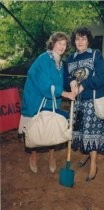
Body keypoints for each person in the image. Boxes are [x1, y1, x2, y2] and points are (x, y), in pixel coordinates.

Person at [18, 32, 75, 174]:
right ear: (53, 43)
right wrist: (65, 93)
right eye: (59, 43)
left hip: (52, 100)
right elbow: (45, 84)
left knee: (51, 129)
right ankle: (33, 157)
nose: (62, 46)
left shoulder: (61, 63)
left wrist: (73, 85)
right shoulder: (43, 59)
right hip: (37, 100)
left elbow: (64, 80)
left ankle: (51, 157)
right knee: (37, 129)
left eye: (64, 44)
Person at [64, 27, 104, 182]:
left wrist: (83, 85)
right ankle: (89, 155)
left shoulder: (95, 55)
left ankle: (94, 163)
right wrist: (71, 81)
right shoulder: (70, 59)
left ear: (88, 40)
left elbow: (101, 77)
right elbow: (66, 78)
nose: (80, 42)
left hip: (92, 101)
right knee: (81, 132)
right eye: (77, 39)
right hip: (77, 103)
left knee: (91, 133)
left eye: (83, 38)